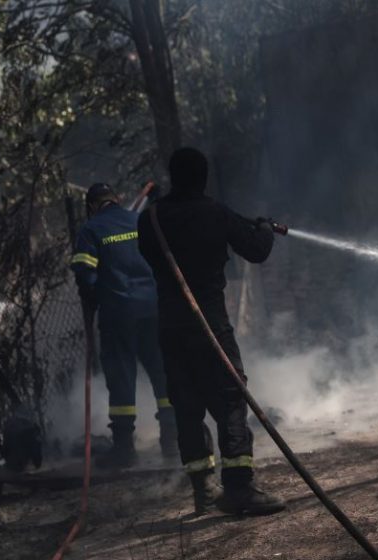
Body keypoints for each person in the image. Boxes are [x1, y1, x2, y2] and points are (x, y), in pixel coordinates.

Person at [137, 147, 286, 516]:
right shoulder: (215, 213)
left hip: (171, 329)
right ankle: (238, 488)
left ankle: (203, 490)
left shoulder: (151, 218)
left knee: (186, 408)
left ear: (173, 176)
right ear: (204, 178)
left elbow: (151, 256)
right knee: (231, 400)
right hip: (210, 326)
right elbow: (256, 250)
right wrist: (265, 229)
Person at [70, 183, 177, 467]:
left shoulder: (91, 230)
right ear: (116, 199)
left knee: (121, 376)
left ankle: (125, 449)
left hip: (119, 313)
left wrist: (93, 297)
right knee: (161, 372)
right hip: (154, 308)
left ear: (91, 206)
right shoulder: (138, 220)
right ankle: (171, 440)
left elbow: (84, 272)